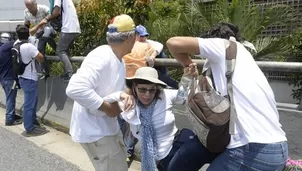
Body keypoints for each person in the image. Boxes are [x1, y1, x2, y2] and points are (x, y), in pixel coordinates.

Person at [166, 22, 288, 171]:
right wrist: (188, 77)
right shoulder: (232, 68)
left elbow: (173, 43)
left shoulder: (225, 46)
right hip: (278, 148)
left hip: (251, 150)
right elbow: (181, 99)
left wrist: (187, 63)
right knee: (189, 153)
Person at [65, 14, 136, 171]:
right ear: (130, 37)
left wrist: (124, 94)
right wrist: (108, 108)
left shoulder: (119, 60)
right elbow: (75, 88)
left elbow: (109, 89)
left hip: (105, 128)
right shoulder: (102, 56)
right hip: (95, 131)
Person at [120, 67, 211, 171]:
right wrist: (122, 94)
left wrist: (191, 79)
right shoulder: (129, 104)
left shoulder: (165, 95)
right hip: (150, 155)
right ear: (134, 87)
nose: (147, 95)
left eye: (152, 90)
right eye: (142, 89)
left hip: (173, 147)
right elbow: (106, 100)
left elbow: (184, 97)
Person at [15, 25, 48, 137]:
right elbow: (40, 57)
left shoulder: (16, 44)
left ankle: (32, 122)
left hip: (22, 77)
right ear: (28, 35)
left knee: (31, 101)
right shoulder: (29, 46)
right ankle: (29, 128)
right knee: (29, 104)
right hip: (29, 78)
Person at [41, 0, 81, 82]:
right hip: (74, 28)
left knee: (60, 50)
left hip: (68, 29)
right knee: (65, 51)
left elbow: (56, 12)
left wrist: (46, 18)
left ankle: (70, 73)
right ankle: (67, 72)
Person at [24, 0, 57, 79]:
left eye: (31, 8)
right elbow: (26, 26)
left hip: (50, 30)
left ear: (35, 4)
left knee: (46, 32)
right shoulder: (26, 12)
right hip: (39, 33)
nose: (30, 10)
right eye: (28, 8)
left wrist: (46, 19)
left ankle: (57, 49)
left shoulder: (43, 8)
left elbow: (53, 14)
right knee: (39, 51)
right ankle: (45, 71)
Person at [0, 33, 22, 126]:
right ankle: (9, 119)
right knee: (11, 98)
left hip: (3, 78)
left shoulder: (1, 49)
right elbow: (17, 42)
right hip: (9, 78)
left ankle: (11, 115)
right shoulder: (6, 47)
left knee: (10, 97)